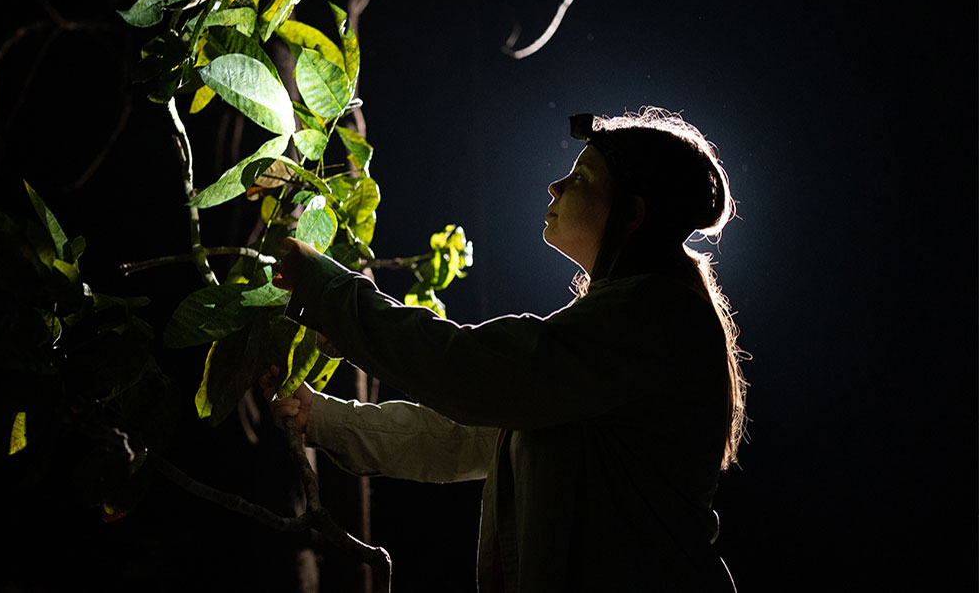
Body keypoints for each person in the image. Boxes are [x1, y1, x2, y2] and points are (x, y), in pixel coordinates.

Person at [262, 108, 748, 593]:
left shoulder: (653, 317)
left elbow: (468, 370)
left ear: (633, 213)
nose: (556, 187)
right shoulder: (617, 333)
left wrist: (329, 294)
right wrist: (325, 418)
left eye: (580, 177)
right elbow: (461, 436)